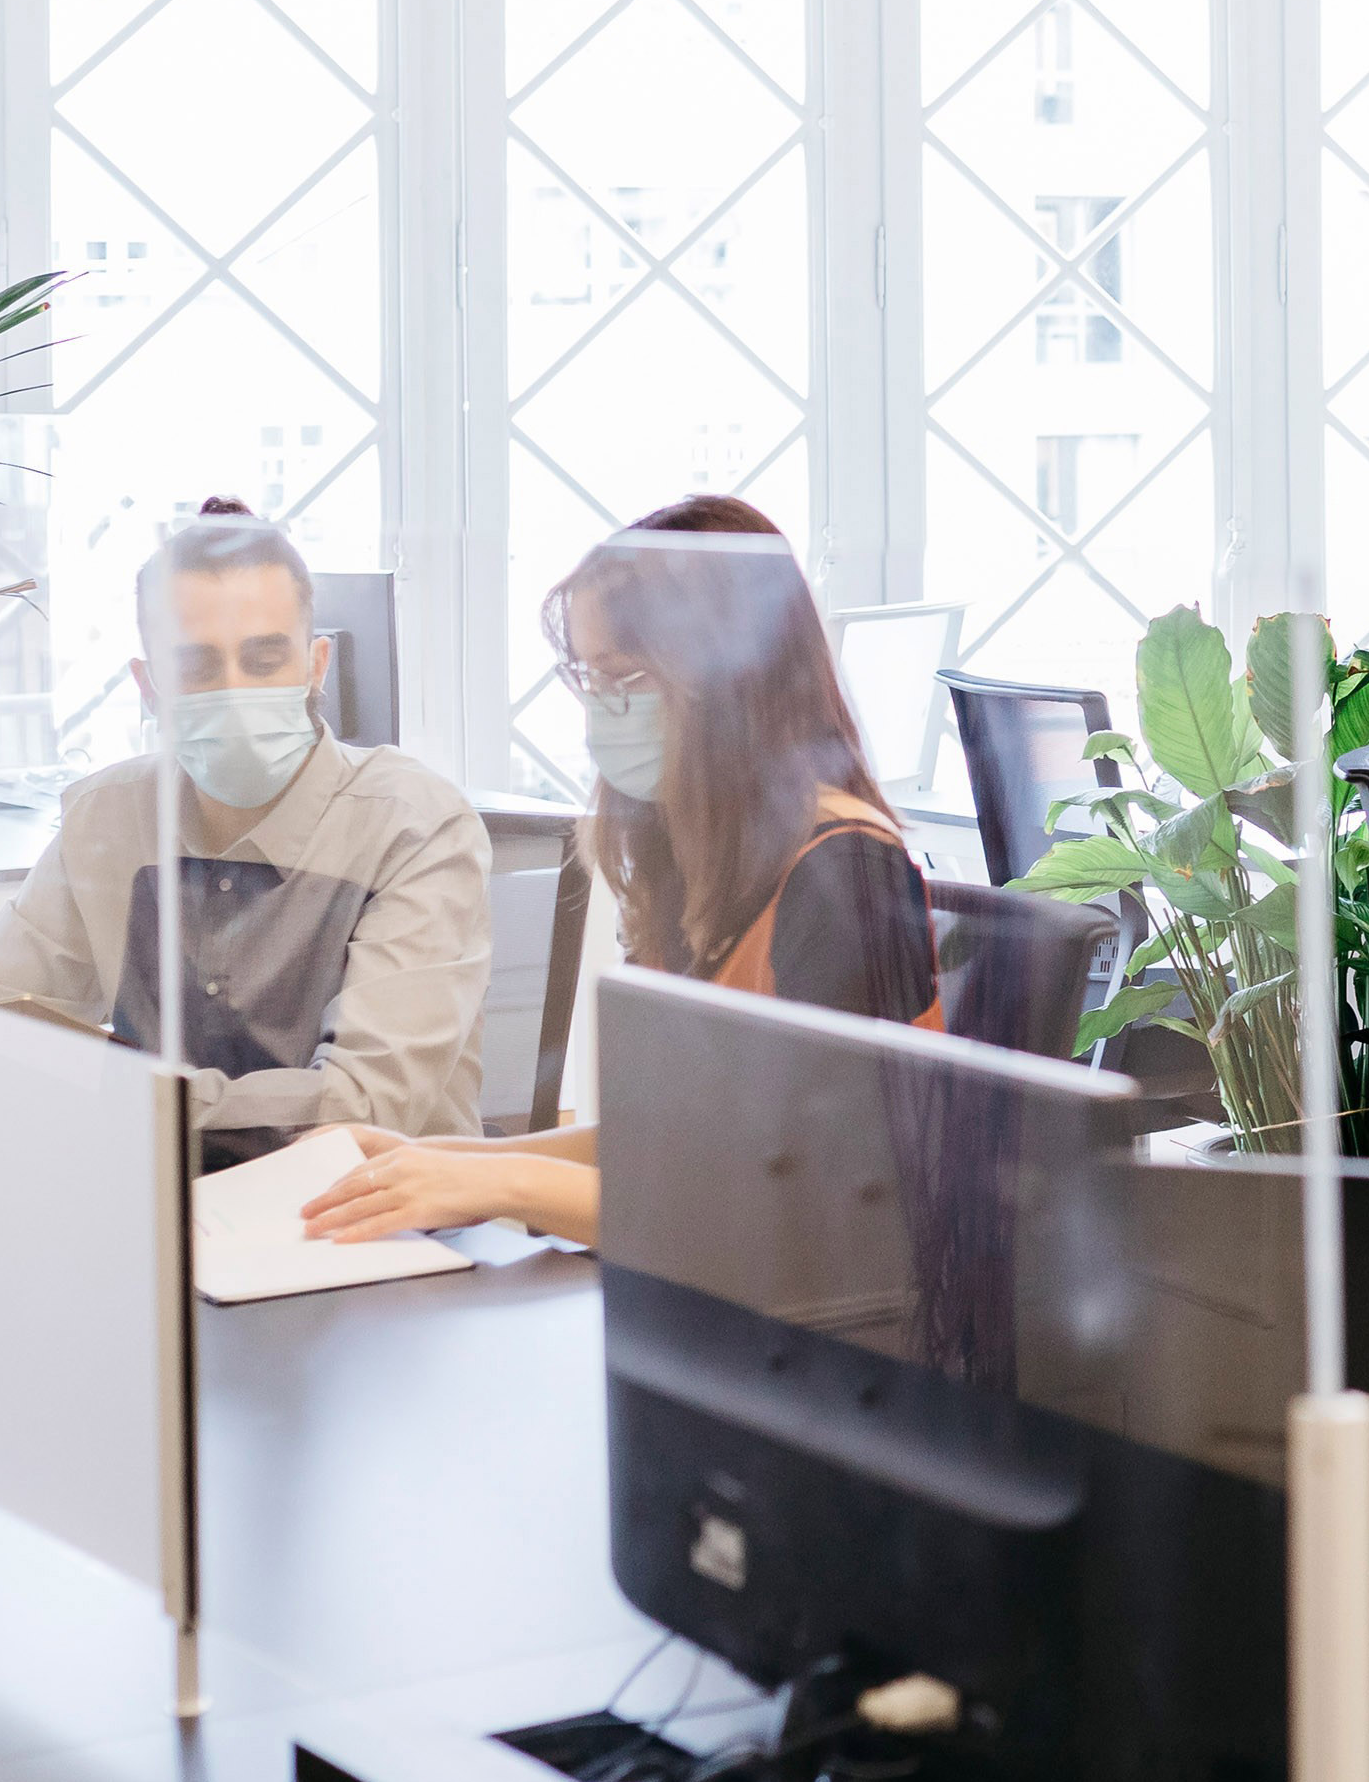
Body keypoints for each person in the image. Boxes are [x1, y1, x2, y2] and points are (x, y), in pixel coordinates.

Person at [297, 496, 940, 1246]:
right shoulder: (697, 855)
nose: (601, 709)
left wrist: (496, 1182)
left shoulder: (844, 873)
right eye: (588, 679)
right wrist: (436, 1161)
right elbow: (668, 1145)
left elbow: (809, 1207)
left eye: (623, 679)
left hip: (821, 1336)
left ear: (732, 679)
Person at [0, 499, 489, 1164]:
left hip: (380, 1222)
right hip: (160, 1211)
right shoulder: (106, 817)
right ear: (148, 686)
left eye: (264, 662)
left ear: (315, 666)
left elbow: (360, 1111)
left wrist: (121, 1091)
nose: (234, 691)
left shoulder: (417, 826)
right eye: (197, 668)